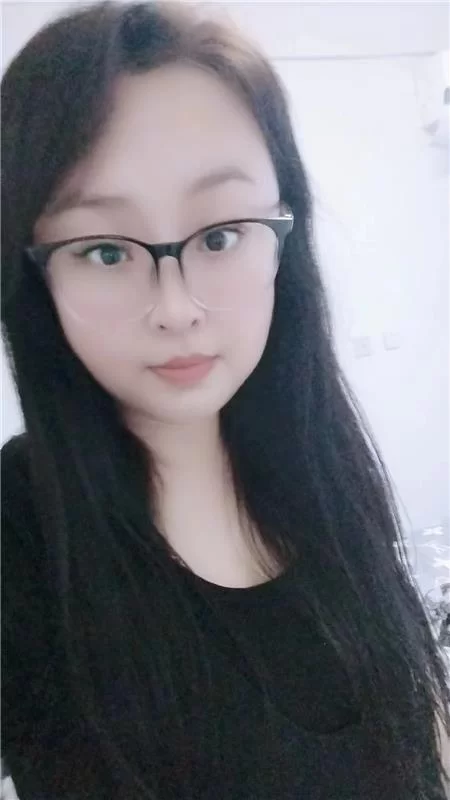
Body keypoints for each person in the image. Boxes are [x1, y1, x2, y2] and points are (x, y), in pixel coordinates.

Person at [1, 2, 449, 798]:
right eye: (104, 250)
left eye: (219, 236)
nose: (176, 309)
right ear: (36, 273)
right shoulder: (21, 531)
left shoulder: (320, 467)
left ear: (282, 238)